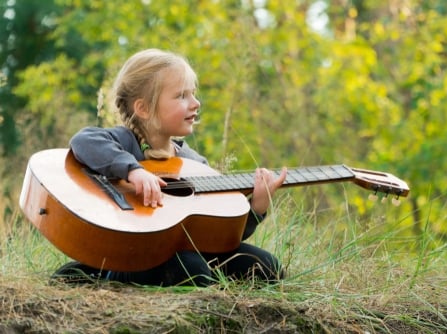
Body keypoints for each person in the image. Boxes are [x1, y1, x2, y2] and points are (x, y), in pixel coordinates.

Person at [51, 48, 287, 287]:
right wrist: (134, 171)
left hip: (184, 251)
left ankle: (206, 285)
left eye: (193, 94)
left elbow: (217, 237)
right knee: (191, 267)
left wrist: (256, 207)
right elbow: (84, 141)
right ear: (143, 108)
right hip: (134, 255)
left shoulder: (194, 163)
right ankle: (101, 275)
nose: (196, 103)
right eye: (182, 96)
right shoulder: (125, 141)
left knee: (267, 266)